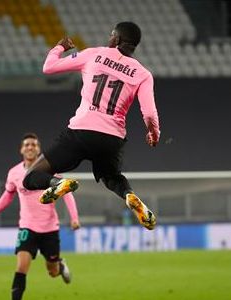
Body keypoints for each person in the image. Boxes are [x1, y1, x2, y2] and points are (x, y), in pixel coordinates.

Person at [22, 22, 160, 230]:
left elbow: (48, 67)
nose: (109, 37)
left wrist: (59, 47)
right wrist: (153, 133)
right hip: (111, 138)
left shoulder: (94, 54)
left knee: (31, 177)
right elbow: (149, 113)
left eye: (112, 34)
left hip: (81, 131)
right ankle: (129, 195)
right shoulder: (143, 74)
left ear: (117, 39)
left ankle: (57, 184)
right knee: (112, 177)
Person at [0, 132, 80, 300]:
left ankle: (60, 265)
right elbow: (7, 196)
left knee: (52, 271)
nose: (30, 147)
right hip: (27, 227)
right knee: (21, 267)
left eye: (33, 144)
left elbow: (66, 192)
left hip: (50, 228)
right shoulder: (14, 173)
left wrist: (74, 218)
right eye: (26, 144)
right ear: (21, 149)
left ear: (38, 149)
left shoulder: (49, 171)